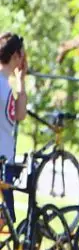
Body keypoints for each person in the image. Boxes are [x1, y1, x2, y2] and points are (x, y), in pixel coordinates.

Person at [0, 33, 29, 220]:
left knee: (7, 216)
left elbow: (20, 114)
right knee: (6, 215)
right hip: (2, 159)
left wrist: (21, 81)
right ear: (16, 56)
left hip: (6, 159)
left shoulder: (7, 85)